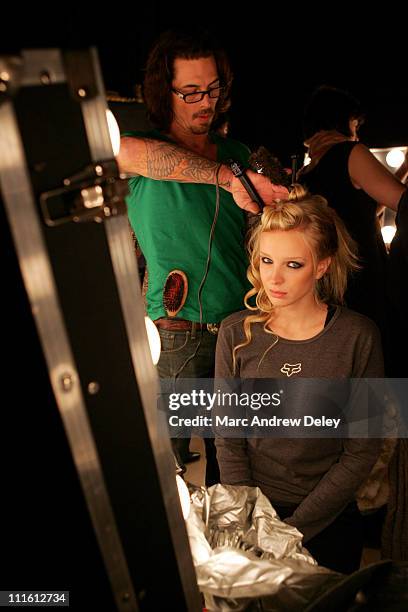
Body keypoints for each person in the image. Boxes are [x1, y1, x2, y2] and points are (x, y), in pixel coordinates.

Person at [117, 29, 287, 484]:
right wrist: (226, 179)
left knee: (236, 470)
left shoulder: (239, 156)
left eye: (212, 89)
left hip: (240, 331)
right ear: (162, 91)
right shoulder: (136, 149)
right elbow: (127, 152)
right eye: (190, 91)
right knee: (160, 471)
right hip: (172, 334)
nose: (205, 101)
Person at [215, 185, 383, 573]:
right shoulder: (235, 333)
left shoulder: (359, 337)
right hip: (252, 516)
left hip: (329, 518)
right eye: (266, 260)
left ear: (322, 265)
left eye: (293, 265)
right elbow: (228, 439)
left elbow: (362, 450)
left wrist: (292, 531)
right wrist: (254, 520)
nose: (274, 278)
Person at [298, 85, 406, 374]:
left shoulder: (307, 171)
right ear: (342, 120)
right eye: (355, 124)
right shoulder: (349, 152)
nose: (357, 133)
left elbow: (360, 210)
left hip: (327, 283)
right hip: (363, 275)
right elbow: (401, 200)